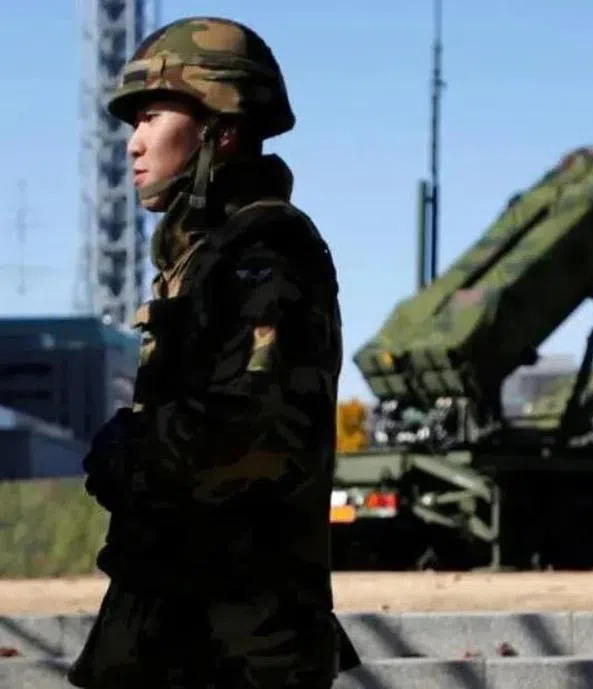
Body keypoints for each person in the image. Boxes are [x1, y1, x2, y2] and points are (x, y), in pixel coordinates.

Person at [69, 16, 361, 688]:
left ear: (221, 129)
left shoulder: (267, 252)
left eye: (152, 117)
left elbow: (254, 430)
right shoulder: (204, 257)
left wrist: (131, 453)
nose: (134, 143)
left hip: (237, 644)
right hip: (180, 627)